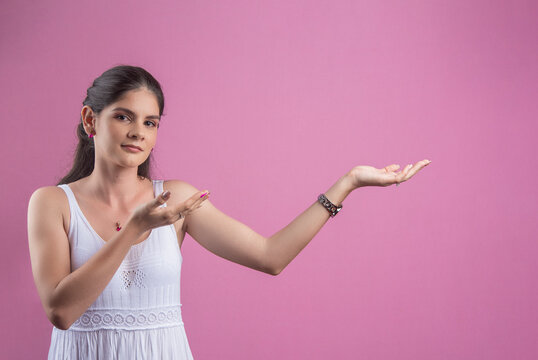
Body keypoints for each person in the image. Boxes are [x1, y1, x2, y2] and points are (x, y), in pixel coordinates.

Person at [27, 64, 431, 359]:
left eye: (150, 122)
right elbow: (61, 312)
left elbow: (270, 256)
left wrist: (348, 183)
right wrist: (134, 229)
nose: (138, 132)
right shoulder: (52, 203)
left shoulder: (177, 200)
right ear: (89, 120)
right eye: (123, 117)